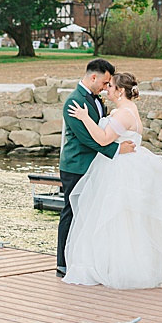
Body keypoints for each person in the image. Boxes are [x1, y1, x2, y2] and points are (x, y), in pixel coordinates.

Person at [63, 72, 162, 289]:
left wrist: (84, 118)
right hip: (129, 162)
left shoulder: (123, 114)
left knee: (121, 218)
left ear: (119, 90)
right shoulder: (128, 110)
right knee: (131, 219)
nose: (107, 89)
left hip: (121, 168)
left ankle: (126, 268)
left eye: (110, 86)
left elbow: (101, 138)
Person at [55, 58, 133, 279]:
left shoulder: (96, 99)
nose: (106, 87)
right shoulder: (73, 101)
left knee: (91, 213)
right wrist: (117, 150)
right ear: (93, 77)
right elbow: (87, 138)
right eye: (105, 82)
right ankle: (62, 263)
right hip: (76, 166)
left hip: (95, 165)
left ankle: (85, 260)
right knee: (72, 212)